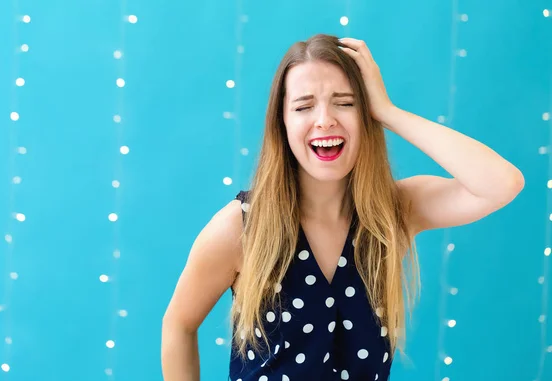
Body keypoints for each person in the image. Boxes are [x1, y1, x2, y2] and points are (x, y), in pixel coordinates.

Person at [161, 33, 524, 381]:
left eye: (346, 102)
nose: (324, 119)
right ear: (282, 123)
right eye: (304, 106)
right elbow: (179, 324)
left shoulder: (395, 212)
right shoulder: (241, 227)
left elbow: (501, 184)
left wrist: (388, 111)